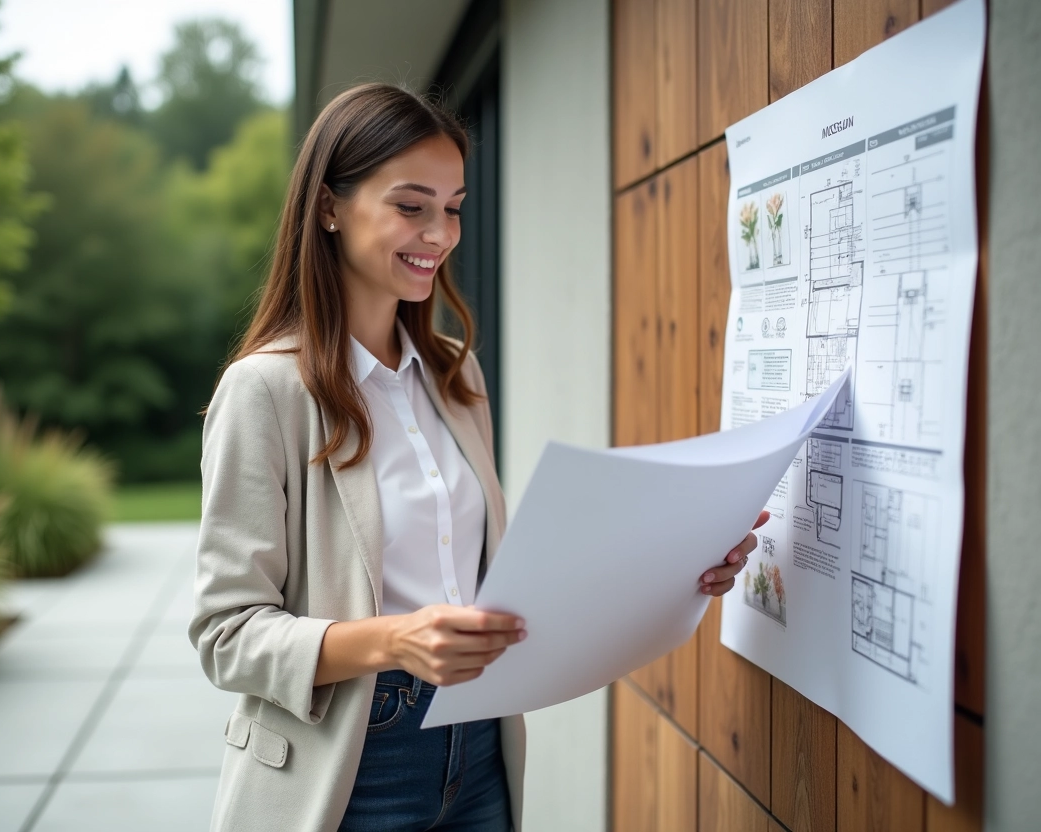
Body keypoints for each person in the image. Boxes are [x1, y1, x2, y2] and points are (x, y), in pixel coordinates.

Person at [188, 82, 764, 832]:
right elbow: (225, 634)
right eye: (411, 205)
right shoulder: (265, 390)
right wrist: (395, 639)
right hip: (353, 758)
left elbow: (491, 581)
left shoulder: (456, 376)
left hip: (482, 742)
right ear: (329, 207)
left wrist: (672, 567)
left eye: (454, 207)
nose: (441, 233)